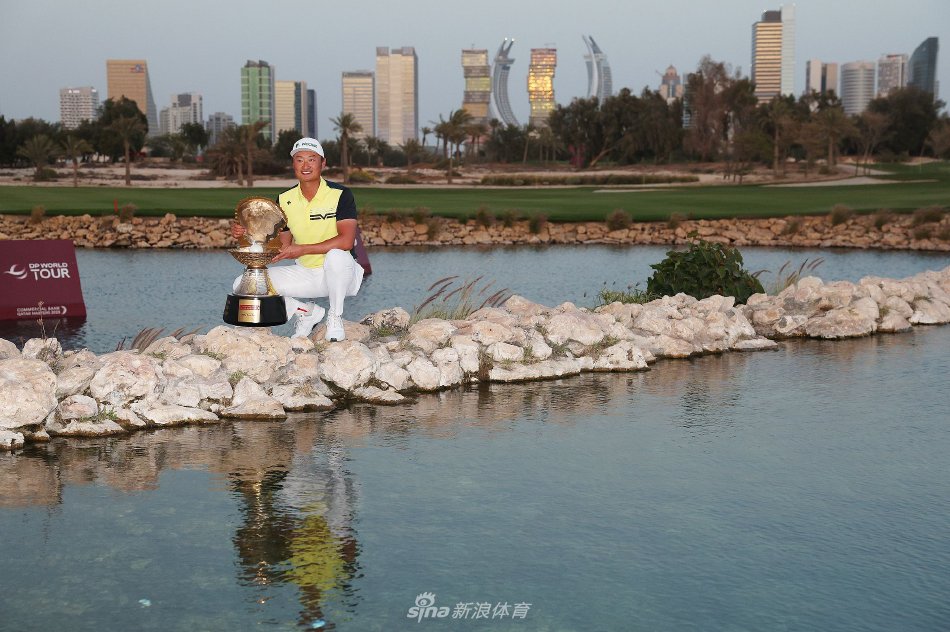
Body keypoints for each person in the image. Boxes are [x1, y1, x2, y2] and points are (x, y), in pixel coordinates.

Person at [231, 137, 363, 341]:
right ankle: (306, 312)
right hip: (307, 273)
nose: (306, 165)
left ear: (323, 163)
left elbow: (346, 241)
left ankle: (335, 317)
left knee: (336, 256)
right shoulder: (284, 199)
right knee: (242, 284)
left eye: (312, 159)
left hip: (343, 274)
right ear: (293, 164)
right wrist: (247, 234)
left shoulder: (340, 194)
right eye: (299, 160)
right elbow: (283, 246)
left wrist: (301, 249)